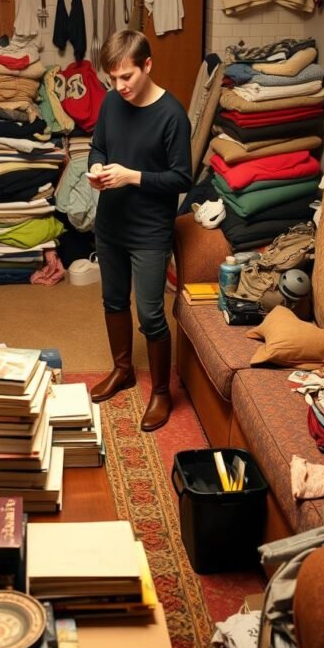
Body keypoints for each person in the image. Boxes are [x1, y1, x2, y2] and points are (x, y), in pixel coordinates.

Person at [87, 29, 192, 431]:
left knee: (150, 313)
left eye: (127, 76)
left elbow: (183, 177)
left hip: (149, 229)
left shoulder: (172, 115)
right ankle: (123, 370)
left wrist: (132, 176)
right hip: (111, 223)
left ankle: (162, 392)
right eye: (113, 78)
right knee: (112, 300)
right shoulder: (113, 103)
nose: (119, 86)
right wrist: (95, 167)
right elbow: (98, 145)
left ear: (148, 65)